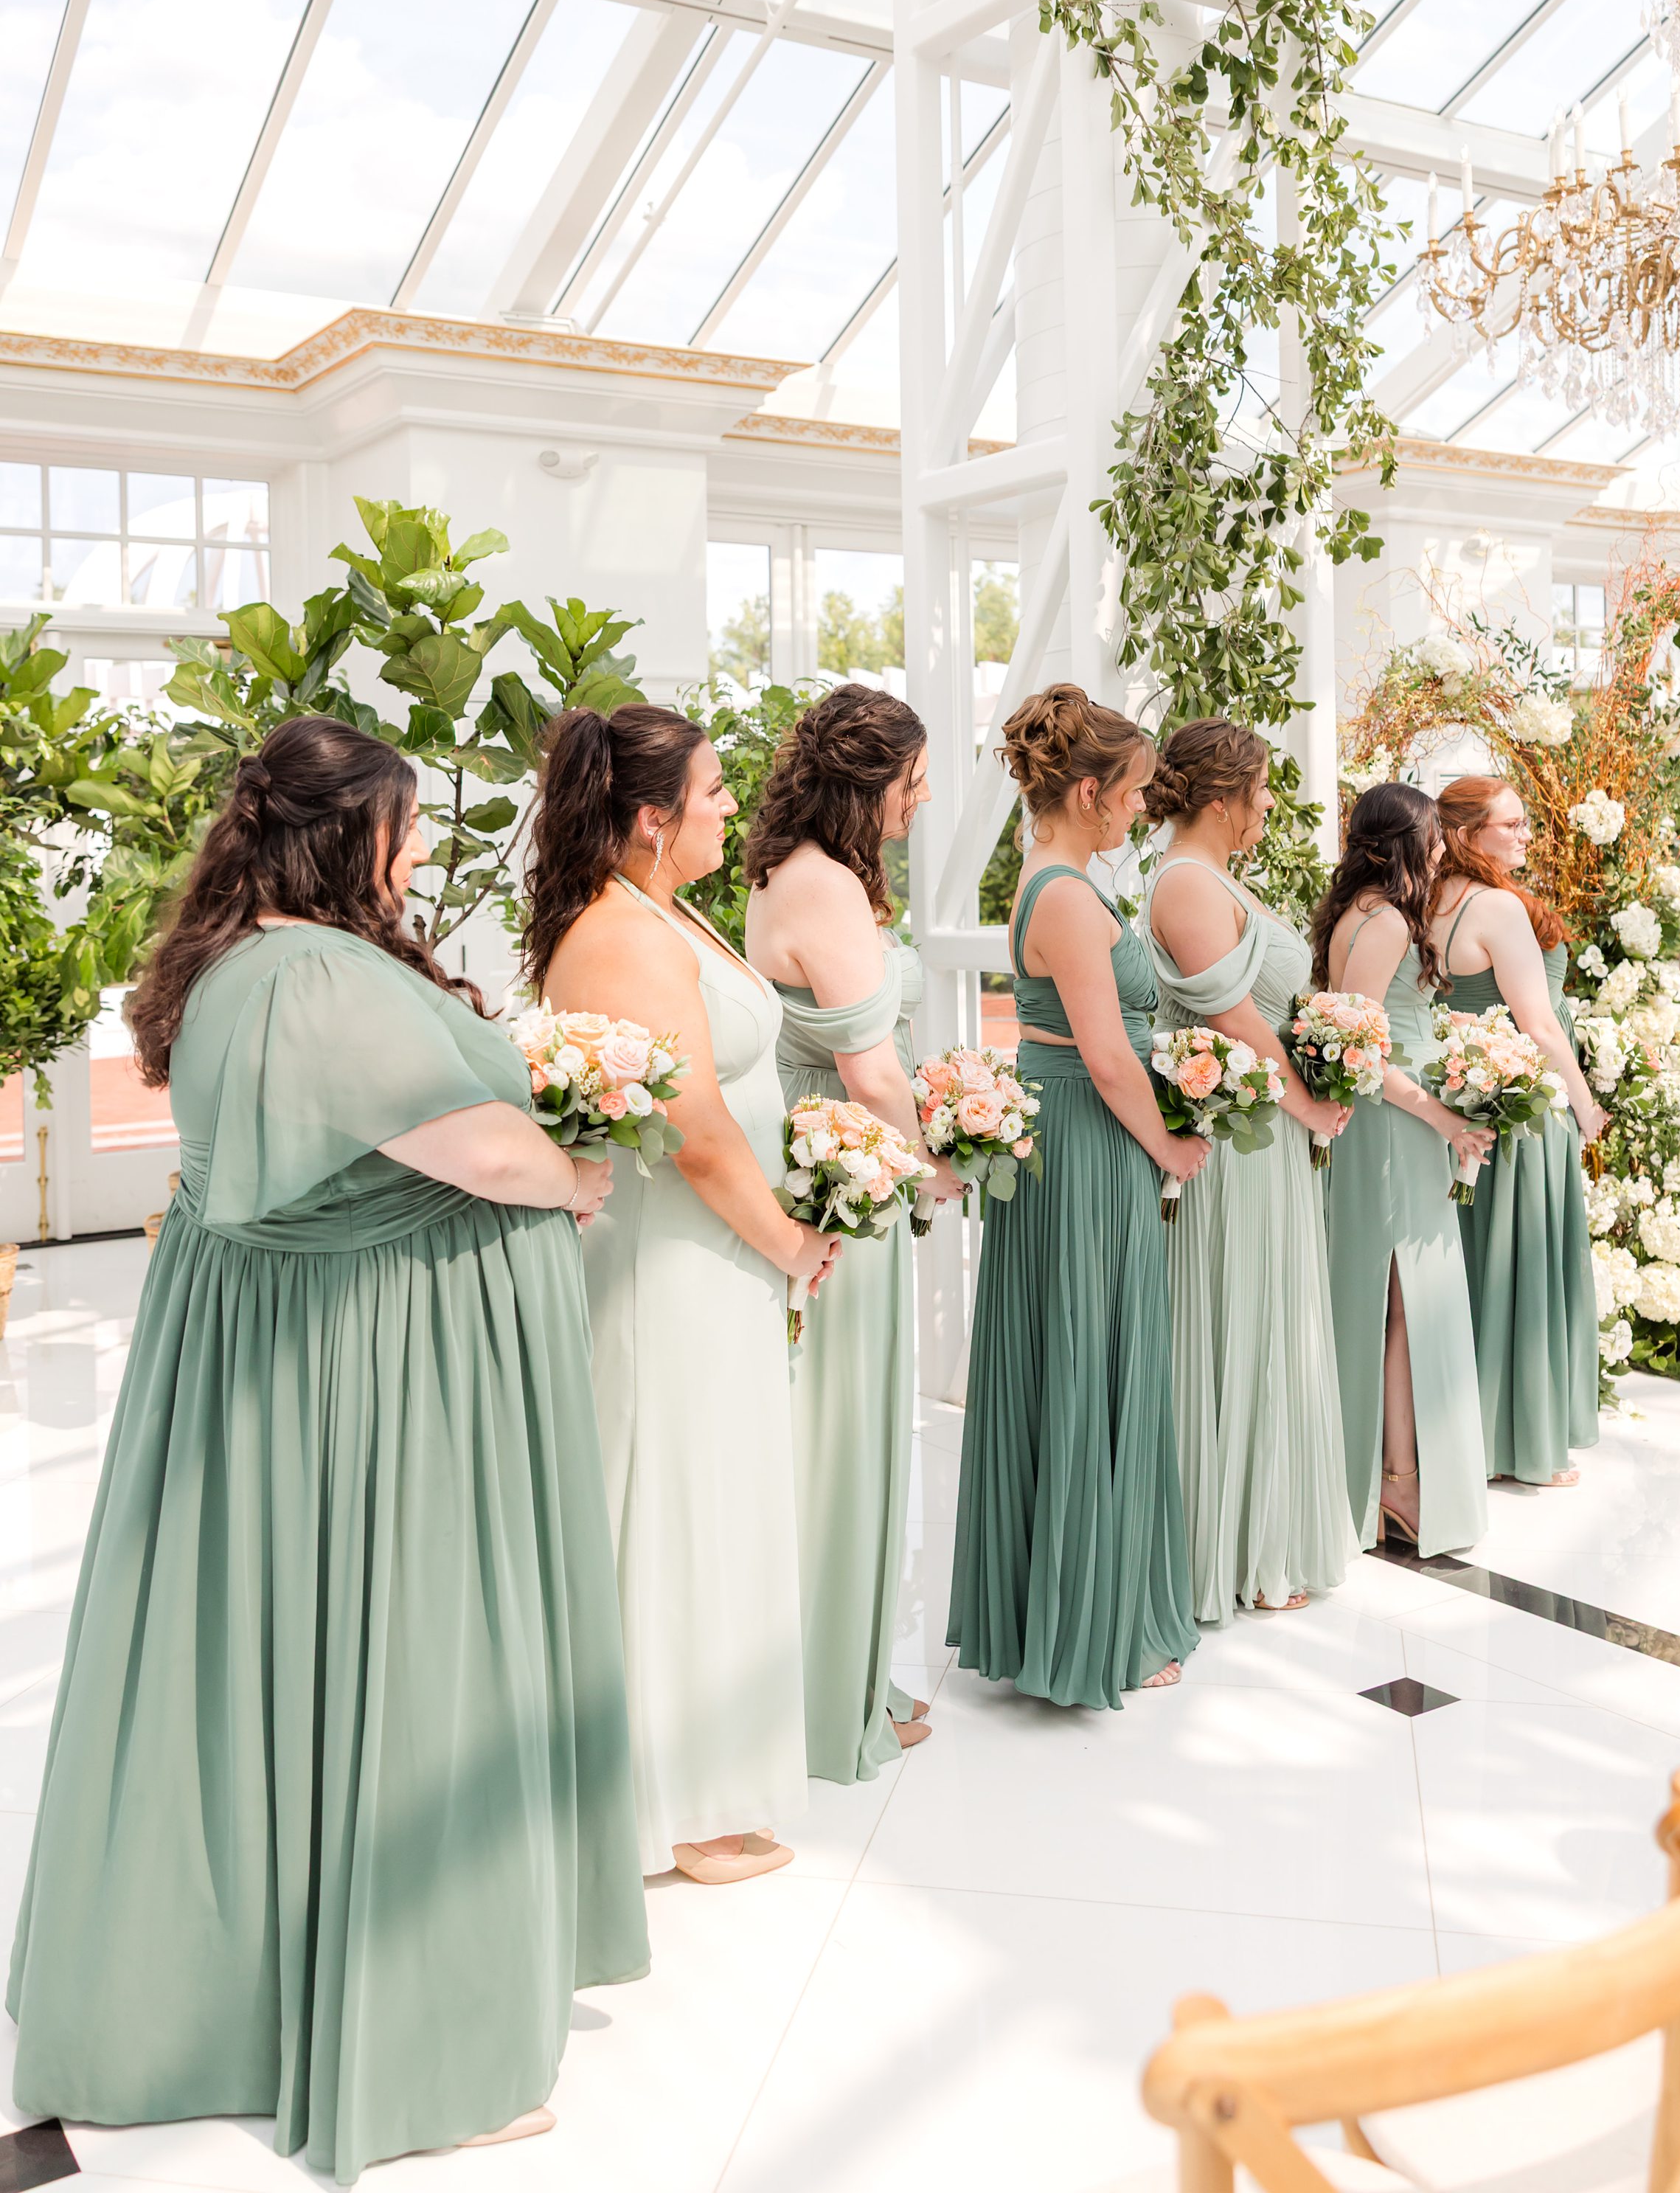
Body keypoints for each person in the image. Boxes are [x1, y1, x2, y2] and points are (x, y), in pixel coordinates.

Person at [7, 715, 648, 2185]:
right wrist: (571, 1173)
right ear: (343, 833)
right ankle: (428, 2052)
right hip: (377, 1371)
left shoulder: (241, 963)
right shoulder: (312, 975)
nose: (418, 851)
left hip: (312, 1359)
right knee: (419, 1663)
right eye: (405, 827)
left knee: (281, 1664)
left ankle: (243, 1991)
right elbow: (472, 1149)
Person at [524, 704, 839, 1888]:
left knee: (715, 1495)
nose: (727, 808)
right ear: (652, 819)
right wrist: (789, 1240)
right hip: (677, 1260)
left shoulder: (664, 908)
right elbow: (696, 1133)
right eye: (710, 794)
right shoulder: (623, 933)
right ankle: (669, 1804)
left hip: (717, 1257)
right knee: (674, 1502)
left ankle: (698, 1778)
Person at [947, 685, 1206, 1711]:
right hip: (1089, 1145)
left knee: (1079, 1356)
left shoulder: (1058, 882)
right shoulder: (1061, 894)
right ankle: (1096, 1628)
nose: (1143, 811)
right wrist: (1172, 1147)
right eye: (1136, 794)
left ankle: (1073, 1610)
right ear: (1091, 791)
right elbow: (1105, 1056)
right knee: (1094, 1355)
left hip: (1077, 1139)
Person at [744, 685, 963, 1781]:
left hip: (825, 1146)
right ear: (872, 782)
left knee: (830, 1417)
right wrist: (938, 1164)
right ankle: (832, 1694)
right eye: (916, 783)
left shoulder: (795, 872)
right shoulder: (825, 886)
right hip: (841, 1164)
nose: (922, 803)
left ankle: (834, 1671)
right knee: (842, 1426)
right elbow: (870, 1071)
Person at [1141, 721, 1358, 1619]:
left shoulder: (1218, 879)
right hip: (1231, 1146)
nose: (1270, 805)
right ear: (1224, 799)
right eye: (1263, 790)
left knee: (1276, 1325)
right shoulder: (1185, 885)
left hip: (1261, 1143)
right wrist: (1305, 1101)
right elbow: (1232, 1016)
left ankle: (1268, 1531)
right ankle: (1223, 1548)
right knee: (1239, 1320)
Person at [1313, 784, 1493, 1560]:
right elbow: (1361, 1050)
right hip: (1395, 1129)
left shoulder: (1353, 913)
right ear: (1403, 843)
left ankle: (1390, 1477)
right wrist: (1442, 1114)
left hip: (1389, 1128)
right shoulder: (1385, 920)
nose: (1445, 848)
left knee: (1386, 1302)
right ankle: (1396, 1480)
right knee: (1403, 1301)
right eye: (1435, 836)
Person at [1428, 775, 1606, 1487]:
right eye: (1511, 824)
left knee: (1473, 1267)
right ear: (1468, 836)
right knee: (1523, 1265)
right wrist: (1585, 1103)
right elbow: (1538, 1021)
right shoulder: (1498, 904)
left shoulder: (1419, 901)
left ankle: (1467, 1434)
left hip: (1459, 1102)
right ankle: (1524, 1440)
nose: (1526, 834)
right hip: (1524, 1107)